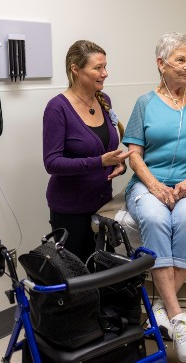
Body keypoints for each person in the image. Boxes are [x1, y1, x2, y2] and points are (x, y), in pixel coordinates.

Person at [122, 32, 186, 363]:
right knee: (154, 217)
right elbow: (134, 153)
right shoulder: (145, 104)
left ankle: (161, 309)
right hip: (151, 182)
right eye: (181, 60)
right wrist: (153, 185)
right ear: (161, 64)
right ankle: (180, 321)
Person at [42, 40, 132, 263]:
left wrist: (118, 164)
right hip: (70, 210)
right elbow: (52, 163)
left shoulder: (104, 101)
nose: (105, 73)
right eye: (97, 68)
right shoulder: (58, 108)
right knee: (79, 282)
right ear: (75, 69)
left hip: (103, 207)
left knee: (103, 278)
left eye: (105, 67)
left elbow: (106, 151)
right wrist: (99, 162)